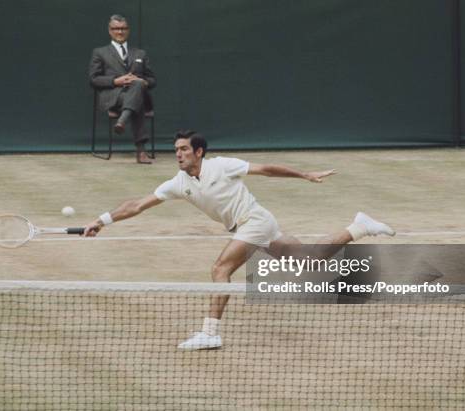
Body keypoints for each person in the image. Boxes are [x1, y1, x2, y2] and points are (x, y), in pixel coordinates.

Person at [82, 130, 396, 350]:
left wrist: (304, 174)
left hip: (254, 221)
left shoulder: (221, 166)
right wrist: (101, 221)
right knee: (308, 260)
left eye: (184, 149)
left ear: (199, 151)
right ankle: (359, 227)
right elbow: (137, 204)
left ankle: (210, 333)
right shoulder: (178, 183)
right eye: (176, 149)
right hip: (255, 224)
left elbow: (266, 170)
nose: (178, 154)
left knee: (220, 269)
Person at [88, 14, 156, 164]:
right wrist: (115, 81)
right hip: (114, 97)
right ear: (110, 31)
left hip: (137, 95)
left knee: (137, 86)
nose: (120, 32)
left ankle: (123, 120)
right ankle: (141, 150)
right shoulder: (100, 52)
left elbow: (152, 80)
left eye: (123, 28)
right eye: (116, 29)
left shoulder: (140, 53)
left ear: (128, 30)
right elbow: (93, 79)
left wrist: (144, 82)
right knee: (137, 101)